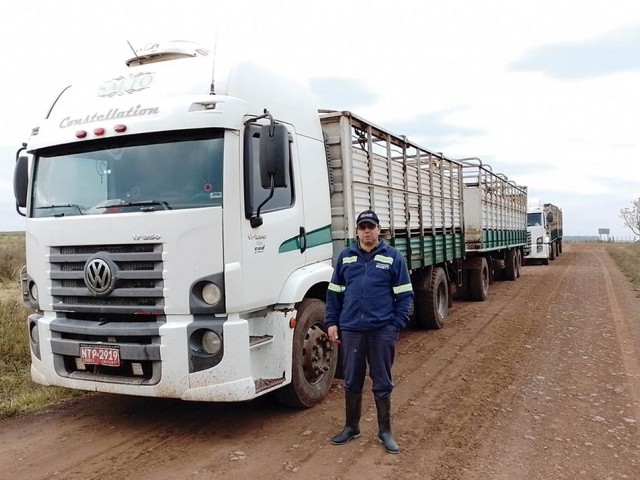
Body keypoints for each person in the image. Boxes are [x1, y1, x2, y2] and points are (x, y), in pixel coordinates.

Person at [325, 209, 414, 454]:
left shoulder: (393, 257)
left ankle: (385, 432)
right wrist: (332, 322)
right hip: (352, 330)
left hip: (381, 331)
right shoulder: (345, 257)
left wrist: (395, 324)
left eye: (370, 227)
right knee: (352, 380)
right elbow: (333, 295)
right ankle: (351, 427)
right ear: (357, 231)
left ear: (378, 230)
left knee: (382, 382)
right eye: (362, 227)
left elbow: (405, 296)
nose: (366, 232)